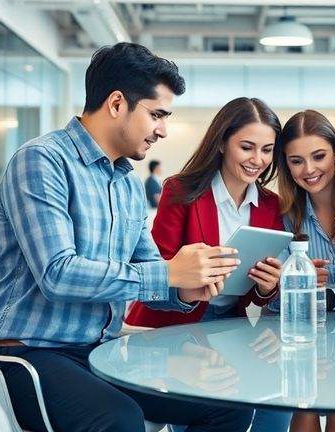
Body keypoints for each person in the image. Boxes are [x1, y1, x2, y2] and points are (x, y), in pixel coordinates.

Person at [0, 43, 252, 432]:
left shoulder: (128, 184)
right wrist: (170, 273)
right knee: (118, 418)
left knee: (227, 403)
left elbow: (150, 272)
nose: (163, 130)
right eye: (156, 115)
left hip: (97, 351)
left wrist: (188, 289)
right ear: (117, 103)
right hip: (26, 353)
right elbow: (58, 274)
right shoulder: (41, 160)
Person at [124, 97, 292, 432]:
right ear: (221, 143)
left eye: (267, 150)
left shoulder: (271, 205)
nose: (257, 160)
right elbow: (156, 271)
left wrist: (266, 287)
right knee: (221, 396)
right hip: (172, 325)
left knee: (279, 391)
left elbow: (256, 298)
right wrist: (190, 277)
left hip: (230, 328)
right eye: (247, 147)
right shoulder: (181, 191)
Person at [271, 110, 335, 432]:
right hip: (304, 337)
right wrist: (293, 283)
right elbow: (275, 298)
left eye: (318, 156)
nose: (309, 170)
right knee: (303, 399)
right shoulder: (285, 218)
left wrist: (324, 295)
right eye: (296, 161)